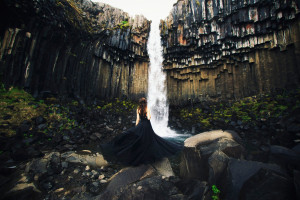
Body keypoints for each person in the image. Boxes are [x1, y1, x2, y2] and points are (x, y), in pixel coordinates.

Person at [101, 97, 182, 166]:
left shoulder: (138, 109)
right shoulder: (147, 109)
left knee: (139, 140)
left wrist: (136, 128)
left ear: (140, 103)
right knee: (150, 140)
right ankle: (148, 155)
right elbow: (149, 118)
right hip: (147, 126)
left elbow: (137, 119)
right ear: (145, 103)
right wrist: (148, 113)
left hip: (141, 125)